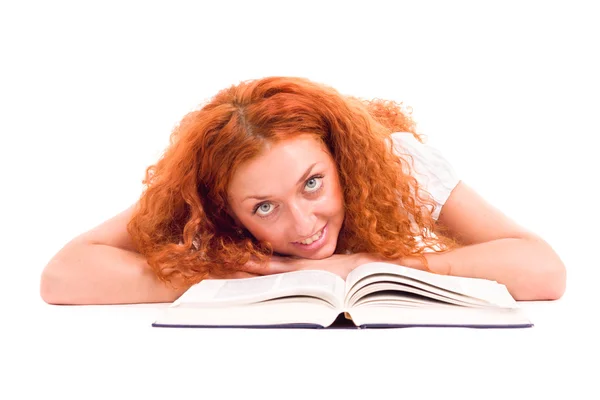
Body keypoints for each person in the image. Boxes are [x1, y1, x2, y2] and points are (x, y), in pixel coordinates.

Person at [40, 76, 566, 305]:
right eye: (264, 207)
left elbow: (543, 269)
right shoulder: (200, 191)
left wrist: (371, 268)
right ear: (224, 207)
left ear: (341, 160)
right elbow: (64, 275)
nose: (304, 225)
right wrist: (267, 278)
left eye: (312, 183)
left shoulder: (394, 159)